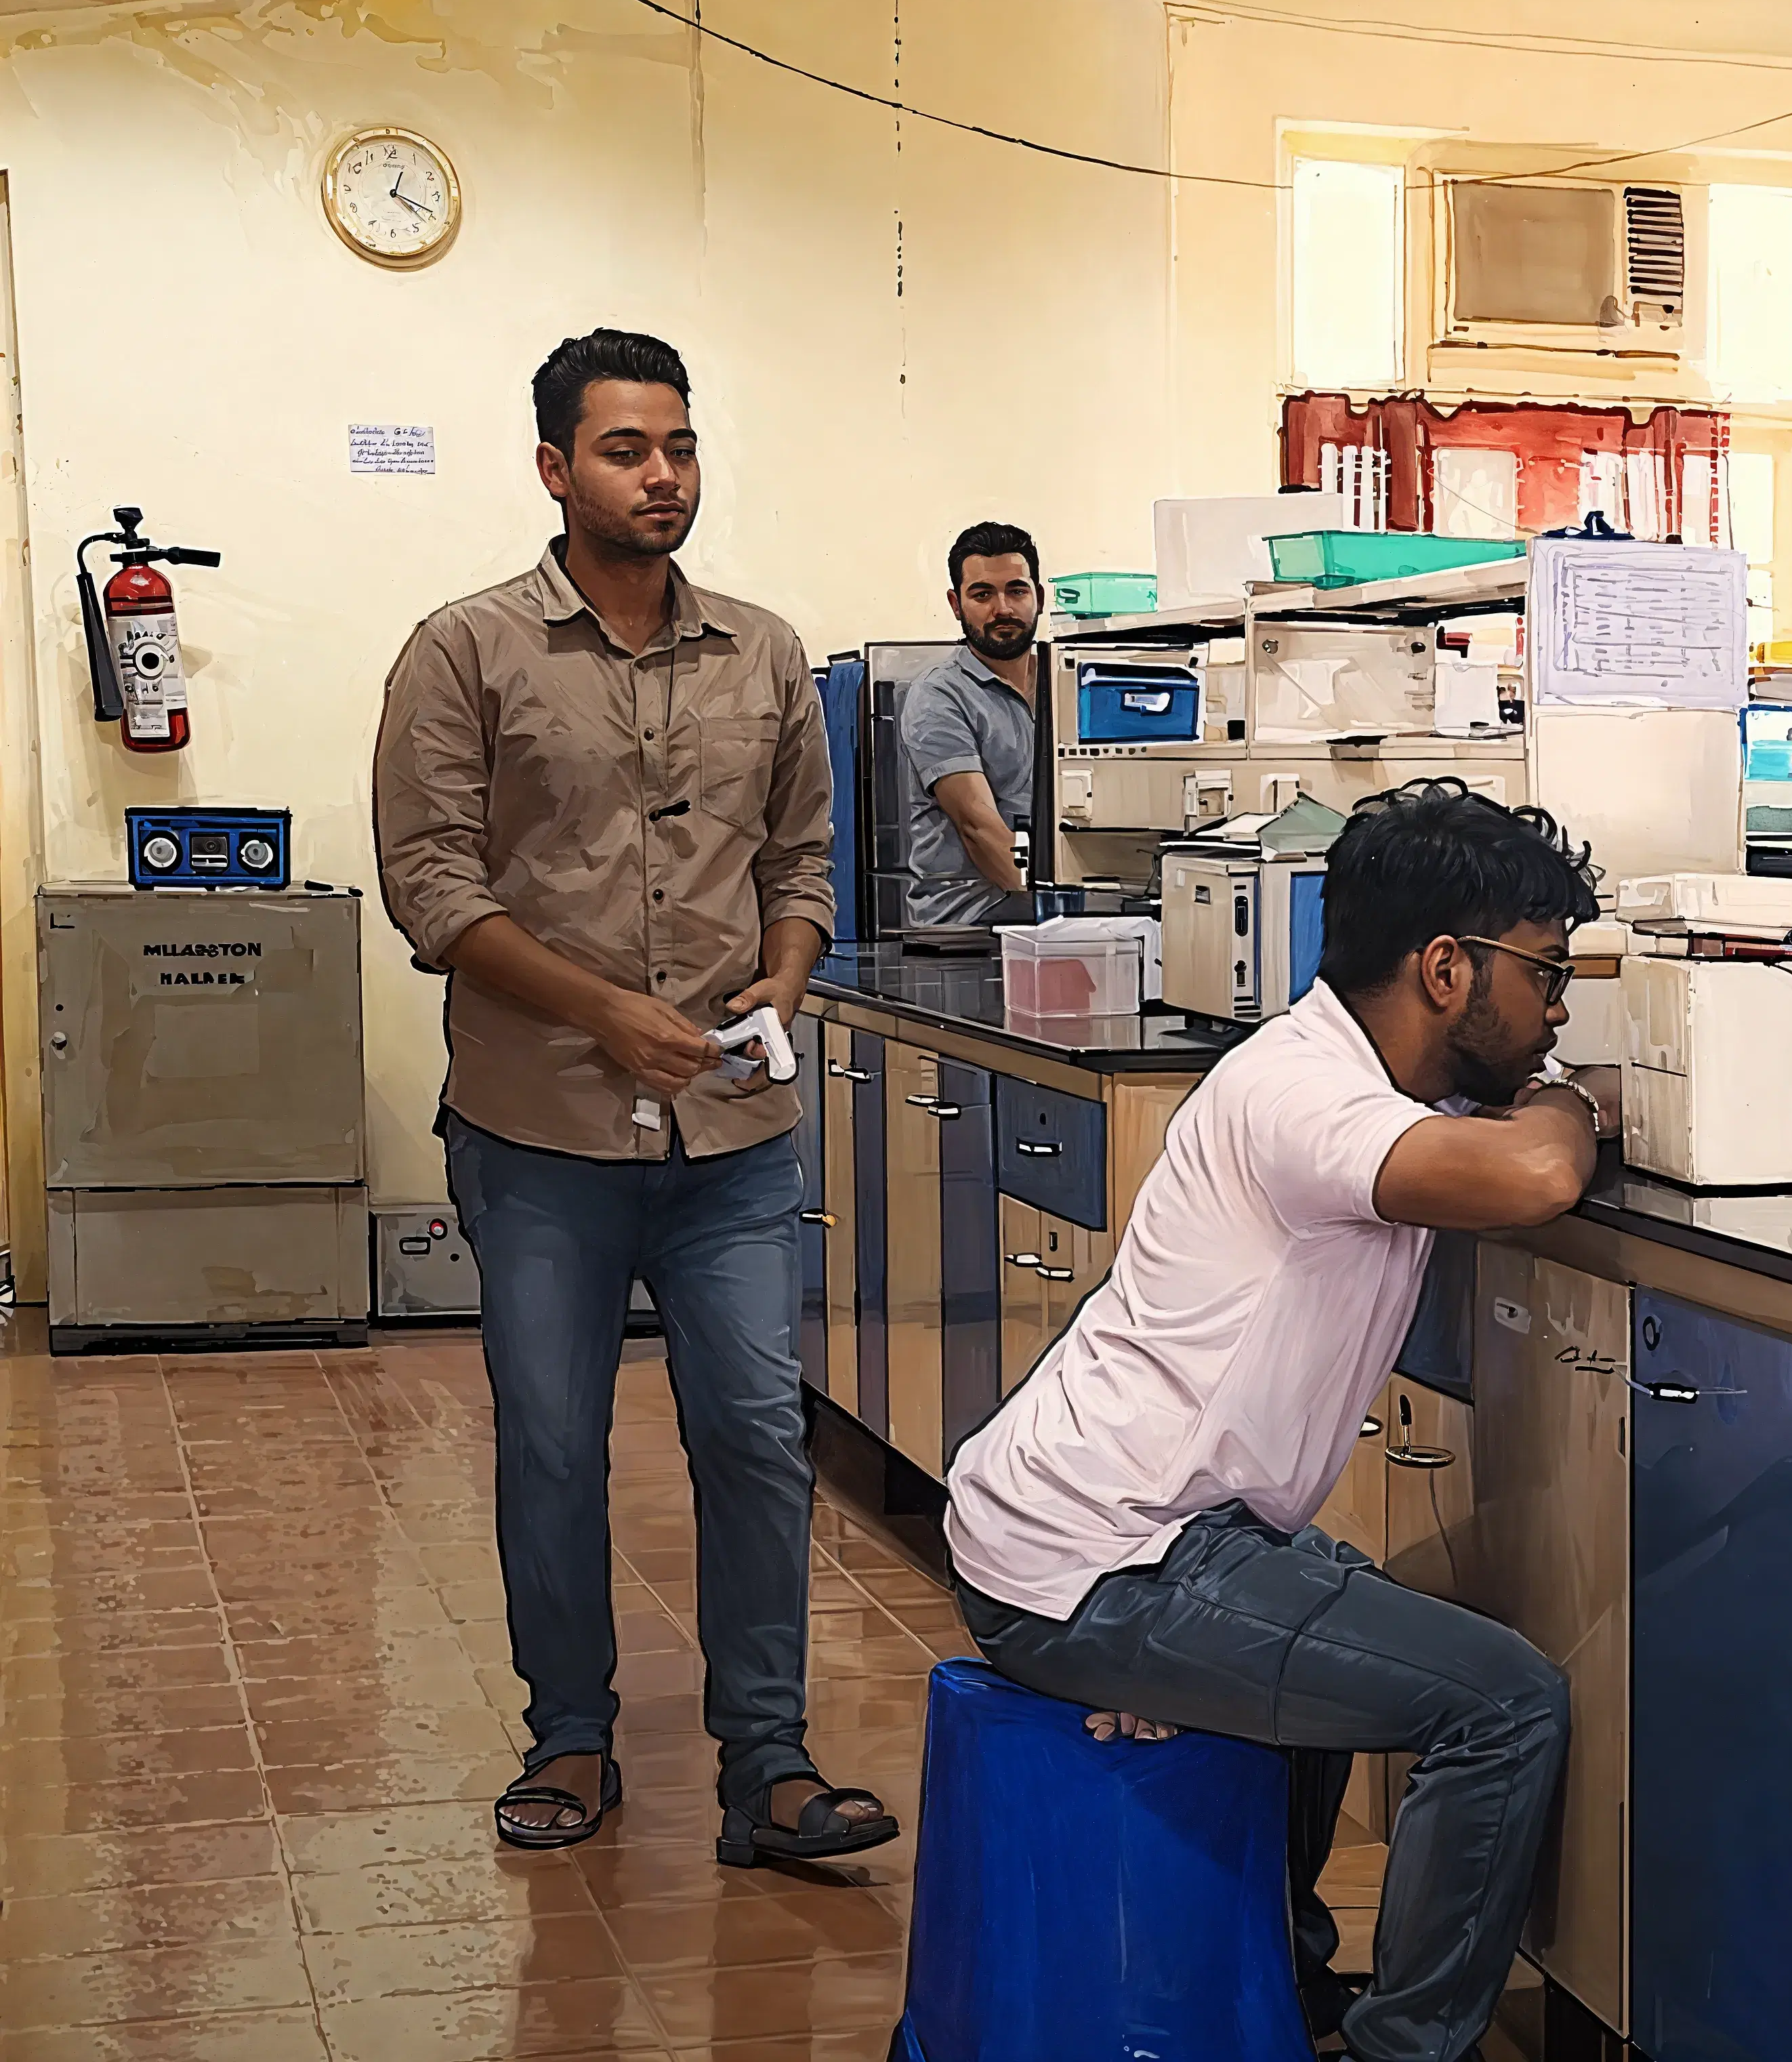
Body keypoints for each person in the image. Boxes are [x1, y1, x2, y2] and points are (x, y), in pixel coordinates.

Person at [942, 779, 1603, 2062]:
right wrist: (1566, 1097)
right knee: (1505, 1704)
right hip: (1102, 1562)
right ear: (1448, 969)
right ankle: (1408, 2047)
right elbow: (1538, 1169)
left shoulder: (1355, 1072)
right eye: (1547, 972)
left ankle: (1284, 1989)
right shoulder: (1306, 1101)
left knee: (1341, 1594)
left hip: (1125, 1529)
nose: (1559, 1008)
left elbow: (1539, 1127)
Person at [371, 328, 894, 1870]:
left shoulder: (766, 650)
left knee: (750, 1428)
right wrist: (609, 1011)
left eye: (677, 445)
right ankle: (572, 1731)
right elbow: (429, 885)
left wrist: (787, 974)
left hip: (735, 1135)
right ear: (555, 466)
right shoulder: (464, 651)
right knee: (550, 1435)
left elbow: (804, 858)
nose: (659, 474)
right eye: (623, 448)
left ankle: (772, 1759)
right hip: (542, 1135)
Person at [897, 522, 1047, 927]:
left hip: (1054, 918)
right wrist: (1064, 913)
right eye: (982, 594)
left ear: (1040, 596)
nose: (1003, 609)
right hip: (968, 930)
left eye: (1017, 590)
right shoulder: (937, 695)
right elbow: (979, 829)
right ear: (956, 604)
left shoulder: (1067, 684)